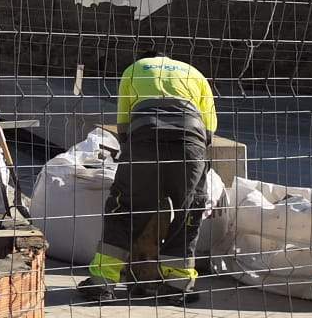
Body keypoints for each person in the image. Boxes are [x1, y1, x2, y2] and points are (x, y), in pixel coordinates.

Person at [78, 49, 218, 303]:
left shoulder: (134, 69)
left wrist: (134, 157)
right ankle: (178, 284)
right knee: (188, 211)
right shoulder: (194, 73)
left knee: (125, 207)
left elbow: (124, 121)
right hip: (190, 141)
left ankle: (103, 282)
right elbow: (209, 127)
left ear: (145, 59)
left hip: (145, 136)